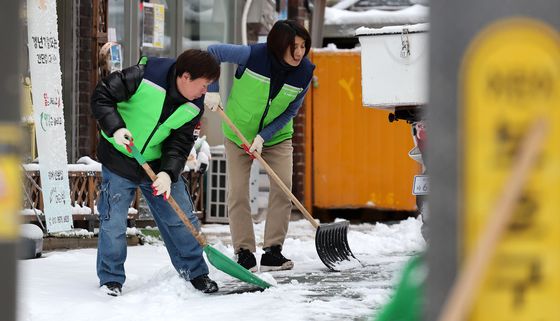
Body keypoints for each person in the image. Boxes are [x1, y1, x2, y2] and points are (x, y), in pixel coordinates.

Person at [91, 49, 220, 296]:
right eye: (203, 85)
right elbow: (102, 95)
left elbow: (181, 143)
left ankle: (195, 273)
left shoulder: (194, 105)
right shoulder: (143, 76)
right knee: (114, 220)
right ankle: (111, 280)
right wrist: (116, 128)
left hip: (157, 164)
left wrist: (168, 174)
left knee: (181, 217)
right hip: (121, 156)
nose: (205, 91)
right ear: (185, 77)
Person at [205, 20, 315, 272]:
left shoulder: (304, 72)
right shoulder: (252, 55)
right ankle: (244, 252)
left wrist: (264, 136)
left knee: (283, 188)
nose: (300, 52)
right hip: (237, 133)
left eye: (303, 46)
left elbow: (290, 111)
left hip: (276, 137)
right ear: (279, 46)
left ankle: (273, 252)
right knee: (238, 193)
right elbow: (213, 52)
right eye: (294, 46)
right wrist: (212, 89)